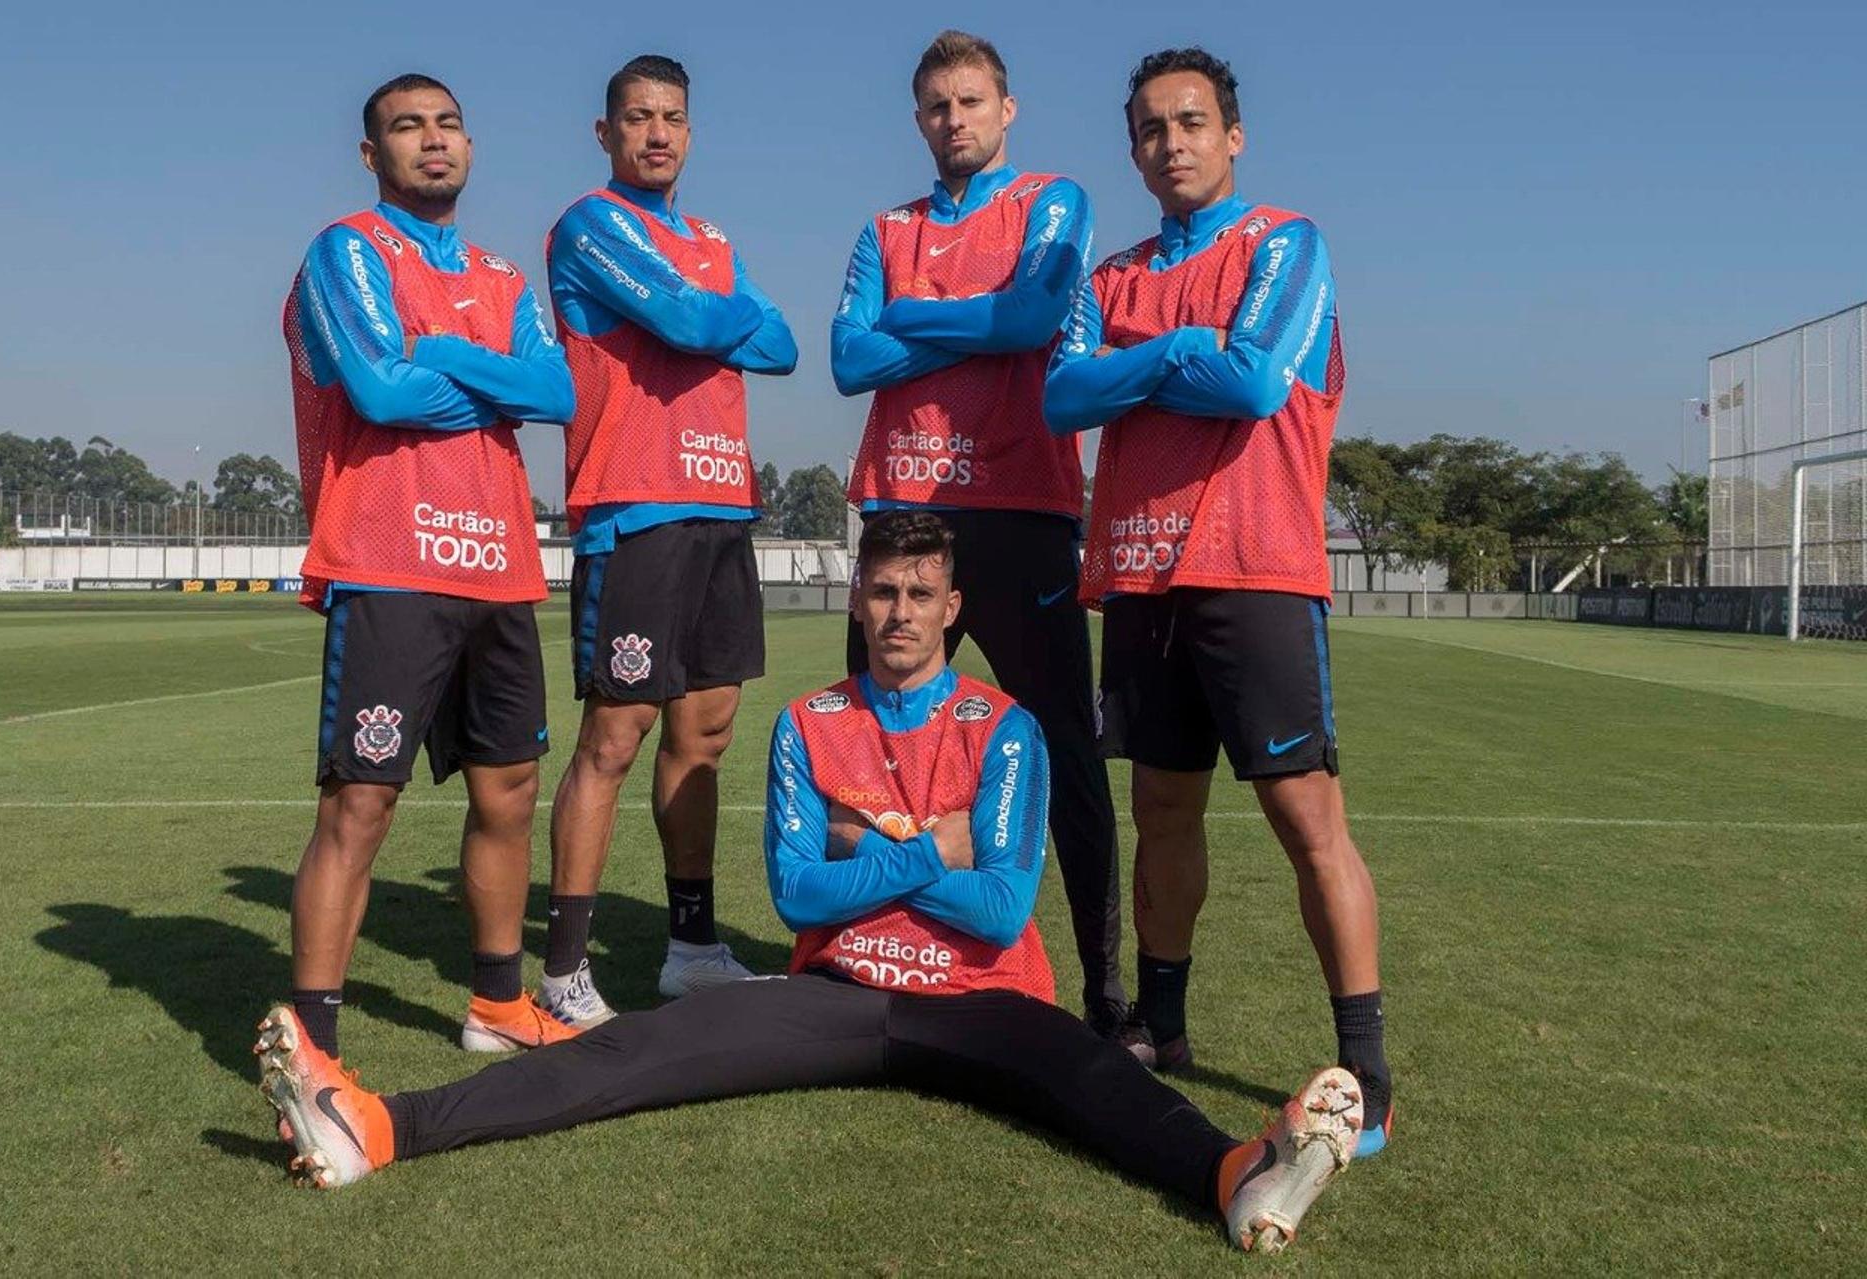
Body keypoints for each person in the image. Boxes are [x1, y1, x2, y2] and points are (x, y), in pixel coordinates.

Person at [254, 511, 1362, 1254]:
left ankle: (1237, 1176)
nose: (897, 614)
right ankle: (381, 1127)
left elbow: (1001, 911)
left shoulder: (1005, 730)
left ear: (952, 606)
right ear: (858, 597)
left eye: (919, 593)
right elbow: (797, 895)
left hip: (983, 1003)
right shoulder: (807, 722)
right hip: (831, 995)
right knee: (631, 1052)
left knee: (1097, 1086)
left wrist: (868, 848)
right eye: (880, 591)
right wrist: (937, 843)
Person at [1042, 48, 1392, 1155]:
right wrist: (1181, 349)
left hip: (1258, 573)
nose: (1171, 141)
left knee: (1306, 820)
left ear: (1231, 136)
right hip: (1144, 579)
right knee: (1165, 812)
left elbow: (1253, 381)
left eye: (1191, 122)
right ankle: (1166, 1022)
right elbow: (1061, 395)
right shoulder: (1111, 276)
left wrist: (1148, 361)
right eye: (1151, 128)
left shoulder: (1287, 243)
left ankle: (1368, 1066)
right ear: (1134, 148)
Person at [831, 30, 1127, 1038]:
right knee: (874, 754)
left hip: (1023, 510)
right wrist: (969, 315)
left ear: (1007, 111)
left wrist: (913, 316)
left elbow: (1034, 316)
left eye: (970, 103)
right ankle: (871, 966)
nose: (953, 121)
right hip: (904, 515)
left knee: (1065, 755)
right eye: (936, 107)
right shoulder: (887, 226)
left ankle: (1108, 993)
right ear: (919, 119)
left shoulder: (1054, 201)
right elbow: (845, 356)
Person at [280, 73, 579, 1058]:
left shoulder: (500, 278)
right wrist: (495, 390)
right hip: (389, 563)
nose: (433, 140)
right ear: (373, 155)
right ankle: (313, 1039)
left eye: (448, 123)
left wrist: (444, 356)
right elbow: (374, 386)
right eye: (408, 128)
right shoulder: (347, 251)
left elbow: (558, 389)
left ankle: (496, 1005)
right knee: (360, 802)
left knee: (509, 795)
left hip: (498, 569)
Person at [538, 55, 797, 1026]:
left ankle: (691, 945)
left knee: (706, 733)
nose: (657, 132)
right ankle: (564, 968)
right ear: (604, 134)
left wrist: (705, 321)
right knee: (616, 733)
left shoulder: (711, 238)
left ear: (690, 131)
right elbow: (698, 318)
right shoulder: (589, 224)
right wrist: (706, 318)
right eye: (638, 117)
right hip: (634, 501)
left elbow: (782, 343)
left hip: (723, 501)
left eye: (673, 118)